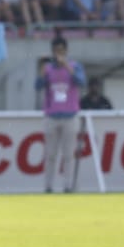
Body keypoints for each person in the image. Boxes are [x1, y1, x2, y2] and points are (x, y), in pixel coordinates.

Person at [35, 37, 87, 194]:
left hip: (70, 115)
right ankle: (48, 185)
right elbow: (37, 86)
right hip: (51, 115)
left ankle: (68, 185)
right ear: (52, 51)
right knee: (50, 153)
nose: (59, 54)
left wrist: (67, 67)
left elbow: (81, 82)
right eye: (56, 51)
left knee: (69, 154)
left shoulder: (75, 66)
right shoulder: (48, 68)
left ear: (66, 51)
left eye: (61, 50)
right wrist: (41, 74)